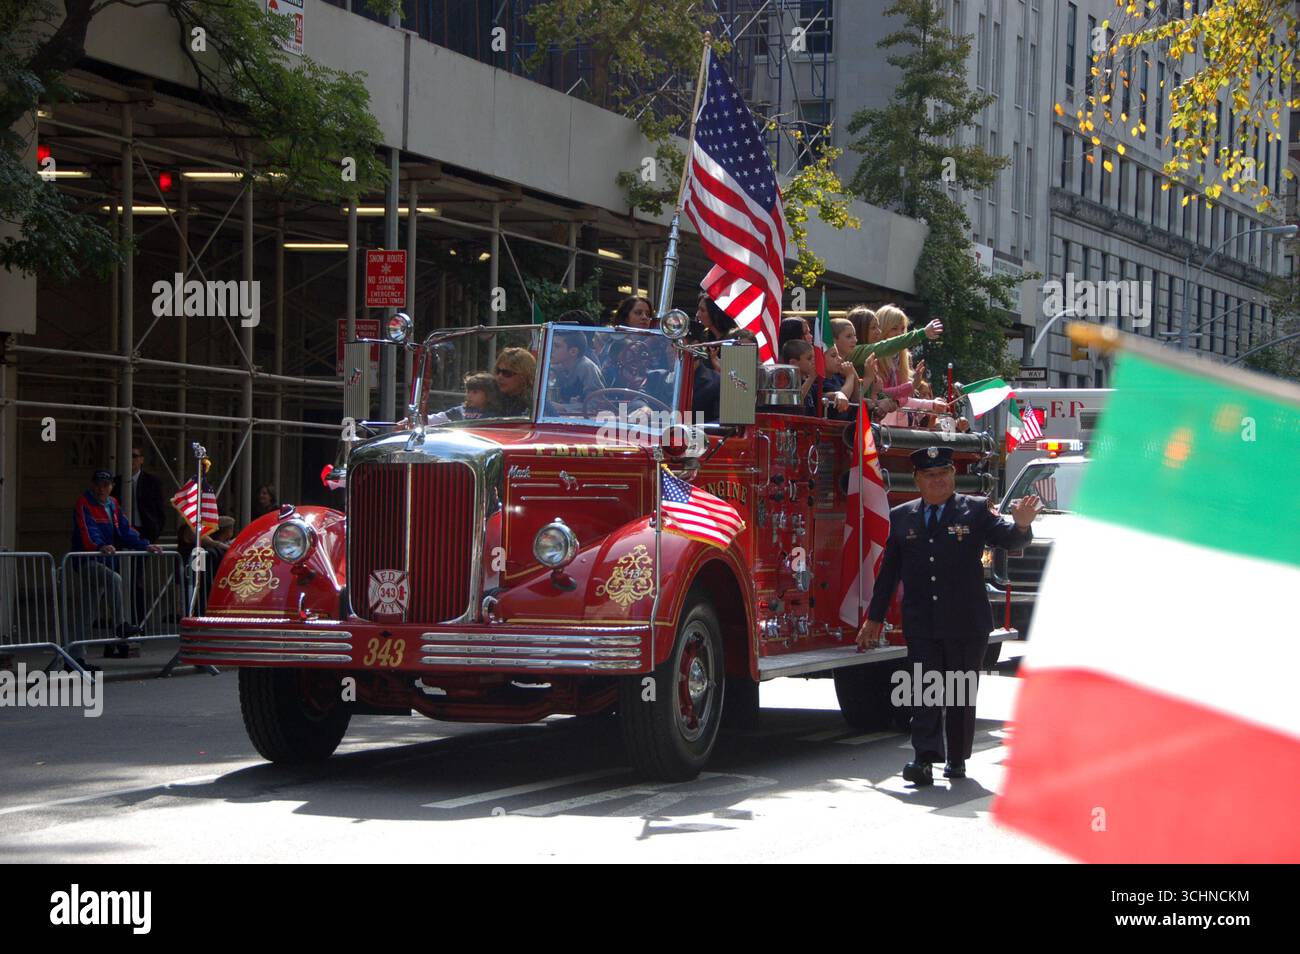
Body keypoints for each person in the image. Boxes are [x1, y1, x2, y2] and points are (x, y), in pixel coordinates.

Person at [857, 447, 1041, 785]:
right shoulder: (902, 517)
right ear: (917, 481)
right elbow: (889, 574)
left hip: (965, 622)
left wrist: (1022, 526)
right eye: (930, 476)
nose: (938, 481)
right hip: (922, 621)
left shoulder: (974, 511)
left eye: (944, 474)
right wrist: (875, 617)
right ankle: (924, 759)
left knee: (958, 693)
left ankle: (956, 758)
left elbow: (1006, 537)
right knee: (924, 690)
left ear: (953, 477)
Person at [71, 469, 163, 660]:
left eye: (105, 485)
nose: (101, 489)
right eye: (98, 484)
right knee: (114, 579)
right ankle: (120, 625)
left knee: (88, 611)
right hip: (88, 560)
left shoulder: (112, 504)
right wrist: (100, 545)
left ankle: (75, 658)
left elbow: (125, 529)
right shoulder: (84, 503)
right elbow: (87, 530)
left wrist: (145, 545)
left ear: (112, 487)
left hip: (105, 560)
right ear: (92, 485)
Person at [545, 328, 605, 414]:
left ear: (573, 351)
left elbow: (596, 404)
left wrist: (563, 407)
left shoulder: (587, 368)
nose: (550, 350)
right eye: (550, 345)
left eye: (557, 346)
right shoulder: (556, 367)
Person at [112, 446, 164, 543]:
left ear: (141, 460)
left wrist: (156, 531)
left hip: (145, 531)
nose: (130, 459)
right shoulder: (116, 482)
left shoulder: (152, 481)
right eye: (127, 456)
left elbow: (159, 509)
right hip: (122, 531)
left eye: (134, 456)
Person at [427, 371, 500, 424]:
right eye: (468, 392)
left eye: (475, 392)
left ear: (489, 394)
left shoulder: (495, 414)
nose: (469, 395)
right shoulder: (458, 410)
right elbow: (433, 420)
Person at [780, 339, 819, 416]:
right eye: (809, 358)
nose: (813, 362)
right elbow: (795, 401)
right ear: (793, 363)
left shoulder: (807, 382)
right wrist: (811, 378)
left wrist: (837, 394)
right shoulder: (785, 383)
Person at [493, 347, 536, 417]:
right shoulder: (490, 399)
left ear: (524, 376)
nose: (499, 377)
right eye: (498, 371)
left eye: (507, 373)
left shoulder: (536, 405)